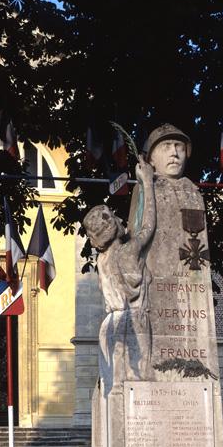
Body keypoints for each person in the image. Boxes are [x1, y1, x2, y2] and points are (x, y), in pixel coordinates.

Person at [83, 156, 156, 391]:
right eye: (115, 218)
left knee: (113, 389)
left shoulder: (102, 260)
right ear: (113, 227)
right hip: (133, 323)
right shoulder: (128, 251)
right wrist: (148, 183)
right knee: (140, 384)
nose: (120, 219)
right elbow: (148, 226)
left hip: (109, 326)